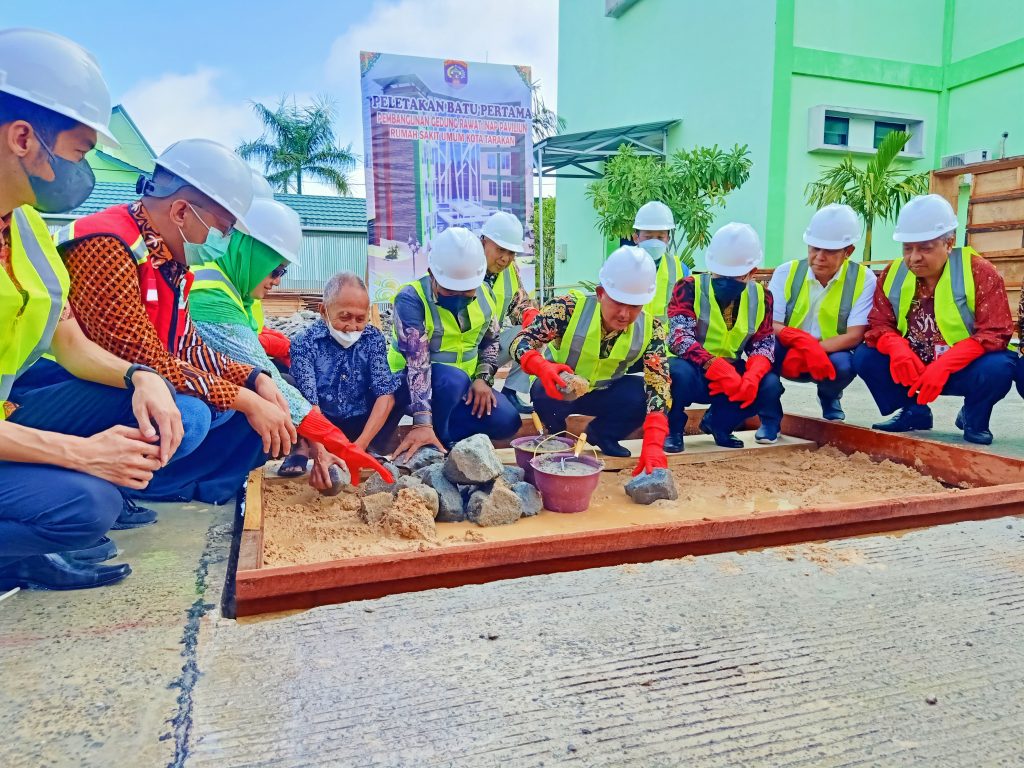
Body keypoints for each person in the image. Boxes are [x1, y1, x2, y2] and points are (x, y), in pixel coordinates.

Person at [0, 28, 184, 590]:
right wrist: (82, 454)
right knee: (86, 505)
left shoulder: (26, 229)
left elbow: (69, 340)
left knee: (139, 404)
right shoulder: (106, 246)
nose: (87, 172)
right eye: (80, 152)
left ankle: (18, 551)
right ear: (24, 137)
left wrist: (141, 375)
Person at [51, 138, 296, 505]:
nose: (224, 242)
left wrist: (252, 379)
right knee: (191, 414)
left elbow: (188, 346)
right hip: (56, 386)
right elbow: (147, 359)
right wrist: (243, 397)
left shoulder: (172, 264)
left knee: (246, 407)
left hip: (127, 381)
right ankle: (99, 490)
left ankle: (153, 486)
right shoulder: (108, 244)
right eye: (223, 229)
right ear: (181, 212)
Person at [188, 200, 393, 490]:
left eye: (282, 273)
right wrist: (333, 445)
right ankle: (200, 482)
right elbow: (277, 386)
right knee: (269, 399)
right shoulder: (213, 295)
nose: (277, 282)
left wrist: (349, 445)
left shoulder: (237, 290)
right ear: (253, 255)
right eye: (275, 271)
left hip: (351, 419)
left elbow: (249, 349)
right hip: (192, 397)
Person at [854, 194, 1016, 445]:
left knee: (1001, 366)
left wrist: (947, 363)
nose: (914, 257)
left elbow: (996, 332)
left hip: (963, 367)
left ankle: (974, 416)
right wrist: (897, 349)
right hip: (913, 366)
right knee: (865, 357)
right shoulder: (893, 273)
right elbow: (879, 323)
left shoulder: (979, 272)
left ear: (949, 243)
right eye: (908, 248)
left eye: (925, 248)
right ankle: (913, 411)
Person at [513, 245, 671, 475]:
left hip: (604, 392)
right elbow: (521, 342)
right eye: (618, 302)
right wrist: (543, 367)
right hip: (560, 388)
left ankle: (603, 433)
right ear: (600, 293)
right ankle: (557, 440)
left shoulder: (651, 329)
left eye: (634, 306)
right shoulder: (567, 308)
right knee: (541, 390)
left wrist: (654, 442)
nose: (625, 314)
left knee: (640, 394)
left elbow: (659, 383)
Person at [389, 226, 522, 458]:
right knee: (452, 380)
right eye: (451, 292)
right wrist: (422, 423)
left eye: (466, 292)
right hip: (408, 388)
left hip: (460, 387)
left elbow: (490, 342)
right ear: (432, 275)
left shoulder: (486, 294)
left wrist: (483, 379)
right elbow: (417, 365)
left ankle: (450, 434)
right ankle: (436, 438)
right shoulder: (411, 299)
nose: (460, 298)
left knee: (508, 421)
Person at [666, 222, 783, 450]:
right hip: (695, 369)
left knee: (768, 385)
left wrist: (752, 376)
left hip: (733, 372)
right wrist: (713, 364)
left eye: (736, 276)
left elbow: (764, 343)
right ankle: (672, 431)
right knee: (675, 373)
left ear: (752, 273)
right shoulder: (689, 287)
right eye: (721, 275)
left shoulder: (762, 297)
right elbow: (679, 337)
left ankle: (720, 425)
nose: (726, 281)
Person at [289, 273, 404, 482]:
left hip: (359, 420)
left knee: (402, 383)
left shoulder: (373, 337)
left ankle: (372, 446)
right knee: (286, 386)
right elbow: (308, 403)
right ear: (324, 311)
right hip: (321, 424)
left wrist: (357, 448)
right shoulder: (304, 342)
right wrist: (321, 451)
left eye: (360, 319)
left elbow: (384, 393)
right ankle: (303, 446)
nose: (352, 327)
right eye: (344, 317)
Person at [767, 204, 875, 421]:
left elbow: (855, 335)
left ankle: (829, 396)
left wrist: (814, 350)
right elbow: (771, 324)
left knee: (845, 365)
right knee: (765, 351)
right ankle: (769, 408)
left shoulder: (864, 279)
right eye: (814, 248)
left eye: (830, 251)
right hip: (789, 349)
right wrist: (801, 344)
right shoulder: (786, 272)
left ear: (849, 251)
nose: (819, 257)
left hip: (831, 353)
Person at [480, 211, 537, 414]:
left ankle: (511, 392)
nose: (505, 259)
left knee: (535, 330)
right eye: (500, 250)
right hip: (459, 355)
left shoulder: (510, 270)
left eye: (512, 253)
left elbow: (519, 303)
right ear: (484, 241)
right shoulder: (463, 264)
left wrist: (532, 315)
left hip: (490, 348)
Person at [632, 201, 691, 322]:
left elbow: (687, 309)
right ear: (636, 237)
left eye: (660, 237)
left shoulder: (680, 268)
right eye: (648, 237)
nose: (654, 242)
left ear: (668, 239)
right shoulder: (620, 264)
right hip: (630, 337)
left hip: (665, 338)